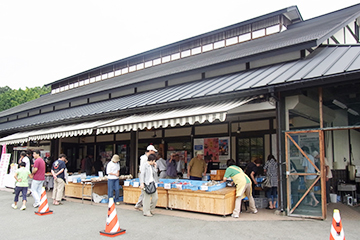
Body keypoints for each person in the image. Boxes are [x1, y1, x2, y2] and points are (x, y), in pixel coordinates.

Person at [134, 145, 158, 209]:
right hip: (145, 178)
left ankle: (139, 205)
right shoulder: (144, 158)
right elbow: (142, 171)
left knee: (145, 194)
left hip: (150, 178)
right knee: (145, 193)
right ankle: (142, 207)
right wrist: (142, 182)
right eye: (153, 151)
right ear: (150, 151)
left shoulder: (150, 159)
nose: (154, 153)